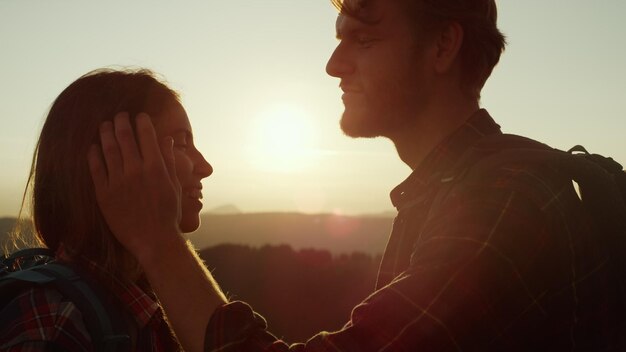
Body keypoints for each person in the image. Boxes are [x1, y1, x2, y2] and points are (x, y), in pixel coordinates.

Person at [88, 0, 625, 351]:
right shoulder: (457, 191)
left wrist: (159, 243)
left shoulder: (504, 201)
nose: (334, 64)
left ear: (443, 46)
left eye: (364, 40)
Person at [0, 68, 214, 351]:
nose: (206, 167)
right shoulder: (56, 323)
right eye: (182, 142)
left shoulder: (151, 309)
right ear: (116, 158)